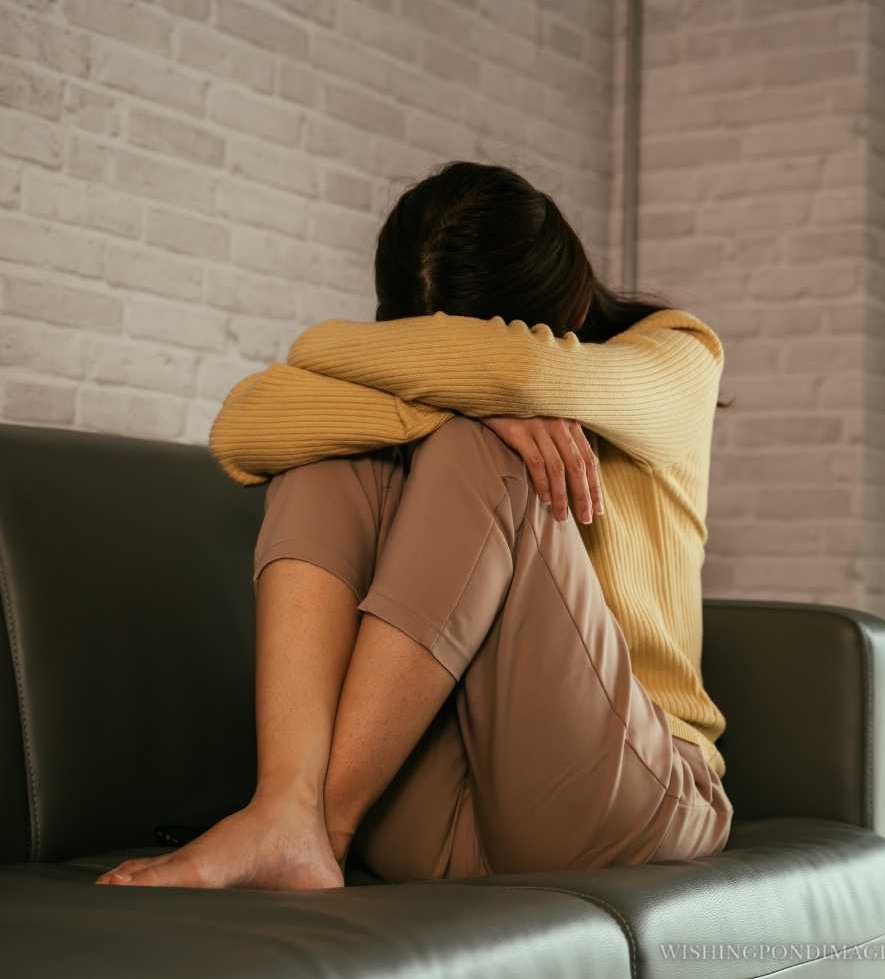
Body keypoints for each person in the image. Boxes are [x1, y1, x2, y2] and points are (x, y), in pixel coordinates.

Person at [96, 160, 734, 892]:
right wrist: (459, 400)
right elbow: (245, 427)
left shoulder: (679, 355)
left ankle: (314, 825)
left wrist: (464, 402)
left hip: (624, 795)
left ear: (566, 303)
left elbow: (525, 379)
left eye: (473, 351)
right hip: (423, 807)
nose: (461, 374)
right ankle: (285, 811)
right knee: (321, 455)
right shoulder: (449, 391)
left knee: (479, 446)